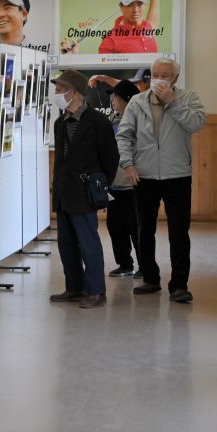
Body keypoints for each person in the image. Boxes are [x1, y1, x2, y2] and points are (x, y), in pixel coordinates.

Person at [116, 58, 206, 303]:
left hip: (177, 174)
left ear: (175, 78)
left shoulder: (188, 98)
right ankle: (150, 278)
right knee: (144, 229)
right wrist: (128, 163)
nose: (159, 79)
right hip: (143, 175)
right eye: (155, 74)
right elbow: (124, 136)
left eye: (165, 75)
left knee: (179, 232)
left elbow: (197, 123)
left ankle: (179, 285)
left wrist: (172, 102)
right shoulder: (136, 102)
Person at [49, 70, 119, 308]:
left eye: (60, 90)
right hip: (63, 191)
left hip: (85, 192)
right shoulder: (60, 123)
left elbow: (110, 157)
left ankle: (97, 290)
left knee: (89, 244)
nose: (57, 94)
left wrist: (99, 185)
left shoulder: (98, 122)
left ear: (74, 92)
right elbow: (61, 158)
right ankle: (74, 287)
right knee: (66, 244)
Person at [96, 79, 142, 278]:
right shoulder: (113, 119)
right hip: (114, 184)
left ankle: (145, 266)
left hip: (133, 184)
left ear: (126, 99)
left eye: (115, 96)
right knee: (115, 226)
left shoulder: (139, 121)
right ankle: (125, 264)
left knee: (136, 228)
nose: (112, 100)